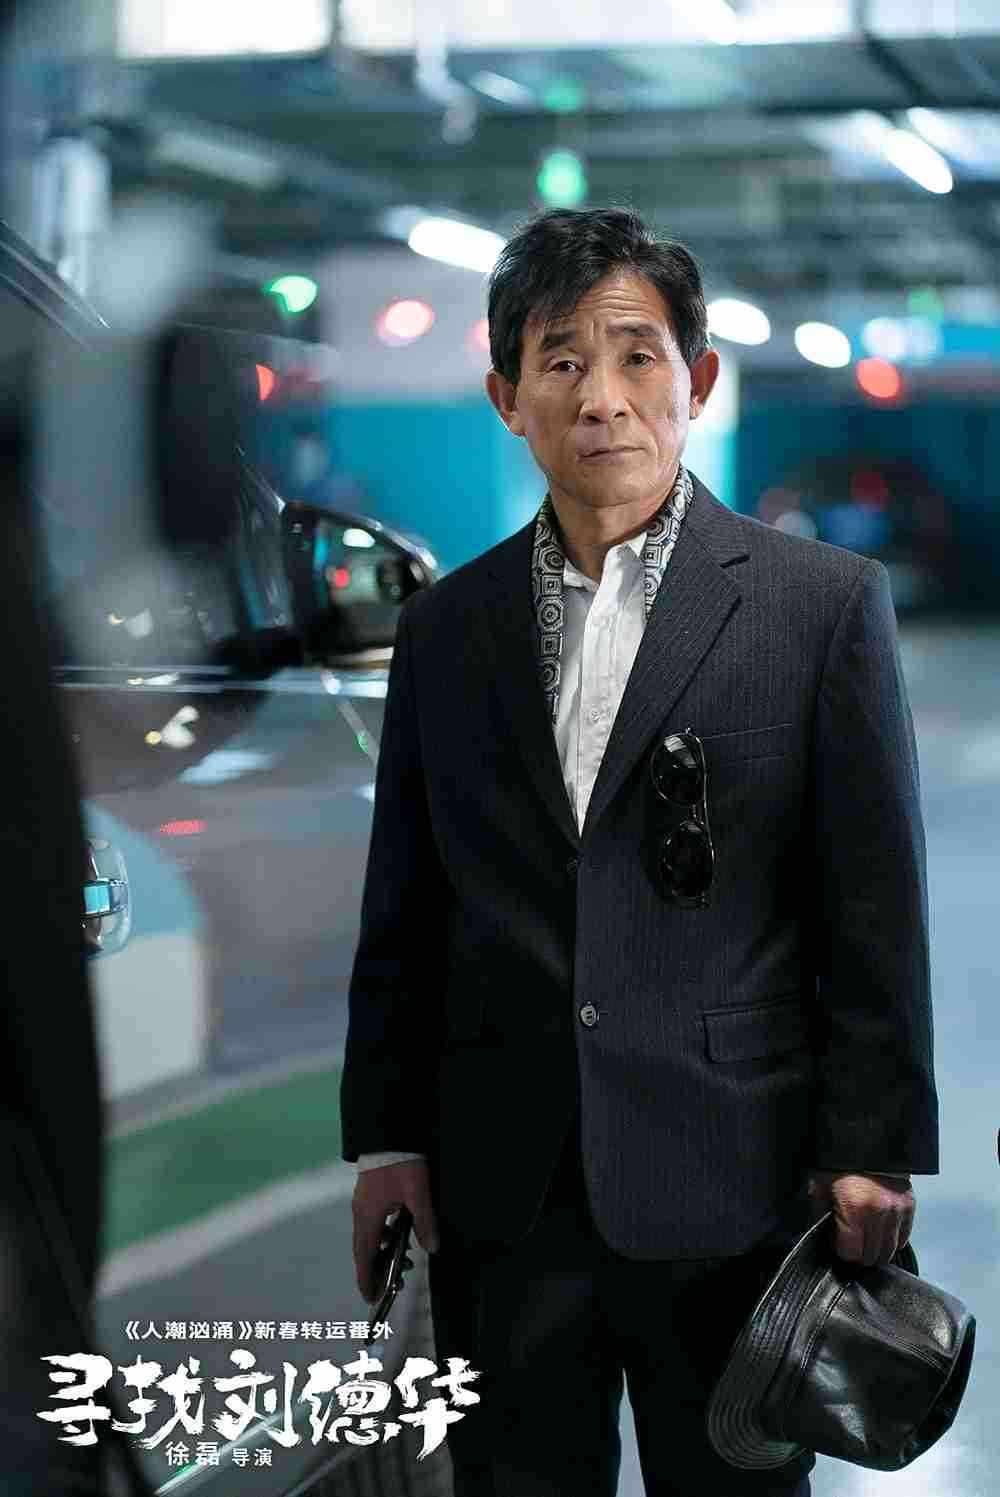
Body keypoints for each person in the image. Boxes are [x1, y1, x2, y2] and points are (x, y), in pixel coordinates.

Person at [340, 206, 937, 1497]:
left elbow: (873, 901)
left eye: (636, 356)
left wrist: (873, 1139)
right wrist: (387, 1137)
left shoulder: (818, 606)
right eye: (560, 361)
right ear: (507, 397)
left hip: (737, 1177)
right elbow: (408, 900)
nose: (601, 398)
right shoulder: (446, 629)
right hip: (506, 1183)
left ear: (697, 379)